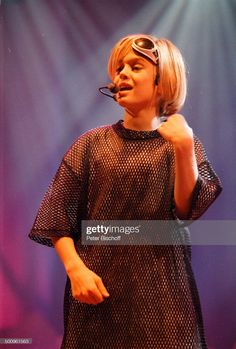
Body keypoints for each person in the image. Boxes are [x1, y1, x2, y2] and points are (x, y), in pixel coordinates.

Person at [29, 34, 222, 348]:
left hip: (162, 301)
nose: (121, 74)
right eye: (119, 68)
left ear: (163, 81)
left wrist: (185, 148)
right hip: (97, 299)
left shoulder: (183, 143)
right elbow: (57, 218)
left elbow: (188, 211)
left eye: (135, 66)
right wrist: (76, 270)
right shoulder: (91, 144)